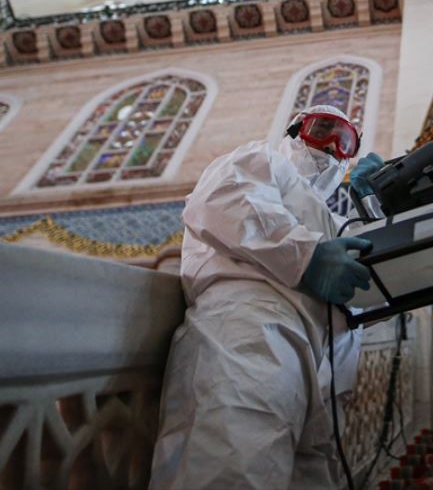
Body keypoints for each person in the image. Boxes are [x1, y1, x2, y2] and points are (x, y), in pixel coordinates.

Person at [151, 103, 386, 489]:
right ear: (295, 132)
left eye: (344, 142)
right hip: (251, 332)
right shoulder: (262, 161)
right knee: (231, 466)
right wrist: (307, 257)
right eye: (322, 130)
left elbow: (379, 274)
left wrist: (375, 206)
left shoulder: (333, 222)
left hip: (323, 372)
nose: (330, 147)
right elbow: (224, 202)